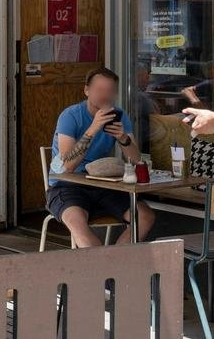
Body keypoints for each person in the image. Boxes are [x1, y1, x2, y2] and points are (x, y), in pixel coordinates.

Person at [48, 67, 155, 247]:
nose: (105, 96)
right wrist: (93, 129)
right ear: (87, 90)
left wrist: (123, 139)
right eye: (99, 90)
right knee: (79, 225)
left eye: (110, 91)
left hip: (104, 185)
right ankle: (100, 270)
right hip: (68, 186)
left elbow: (138, 161)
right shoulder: (71, 116)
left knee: (145, 216)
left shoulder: (119, 116)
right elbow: (67, 166)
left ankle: (115, 266)